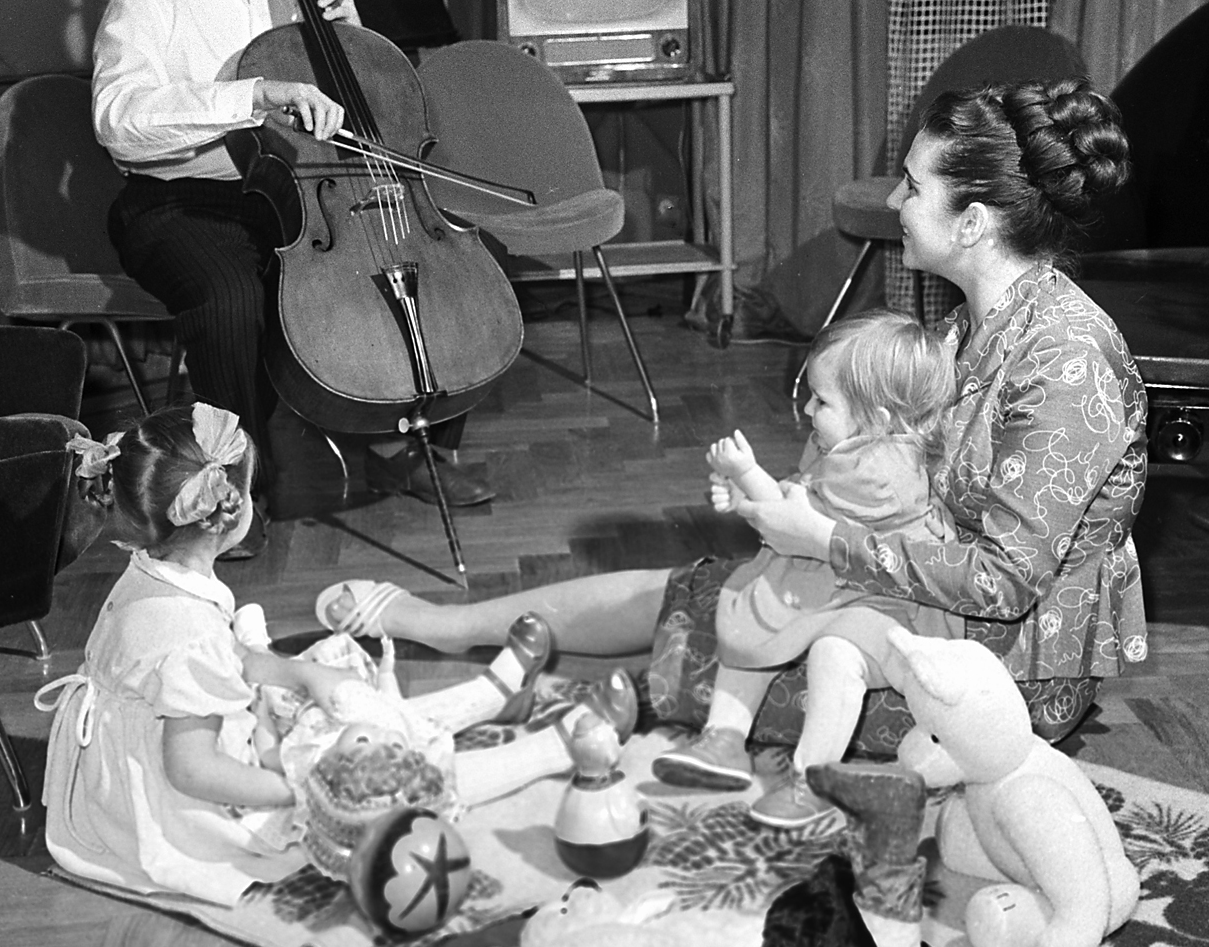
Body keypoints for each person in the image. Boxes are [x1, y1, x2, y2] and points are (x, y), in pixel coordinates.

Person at [312, 77, 1149, 780]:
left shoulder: (1065, 362)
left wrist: (821, 539)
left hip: (1006, 671)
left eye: (913, 185)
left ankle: (470, 715)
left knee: (710, 648)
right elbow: (907, 479)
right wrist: (808, 507)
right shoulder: (983, 319)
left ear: (972, 223)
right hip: (923, 605)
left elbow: (1004, 584)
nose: (893, 199)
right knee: (713, 591)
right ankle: (443, 626)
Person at [92, 0, 490, 560]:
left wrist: (349, 35)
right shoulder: (146, 1)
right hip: (180, 197)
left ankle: (408, 445)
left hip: (304, 190)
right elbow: (118, 119)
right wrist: (253, 96)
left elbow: (368, 112)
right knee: (233, 294)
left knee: (438, 262)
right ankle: (232, 492)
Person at [36, 403, 635, 907]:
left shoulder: (152, 571)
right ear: (234, 510)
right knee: (383, 781)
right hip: (193, 799)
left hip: (173, 748)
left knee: (340, 696)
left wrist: (296, 671)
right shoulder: (183, 626)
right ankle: (553, 747)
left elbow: (210, 669)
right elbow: (189, 768)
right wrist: (302, 791)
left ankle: (492, 697)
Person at [650, 311, 960, 830]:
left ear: (878, 420)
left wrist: (747, 475)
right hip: (837, 576)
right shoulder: (844, 440)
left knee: (834, 655)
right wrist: (750, 494)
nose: (808, 408)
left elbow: (795, 517)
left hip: (888, 605)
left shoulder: (883, 472)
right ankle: (724, 739)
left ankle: (812, 778)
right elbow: (801, 495)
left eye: (823, 401)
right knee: (754, 598)